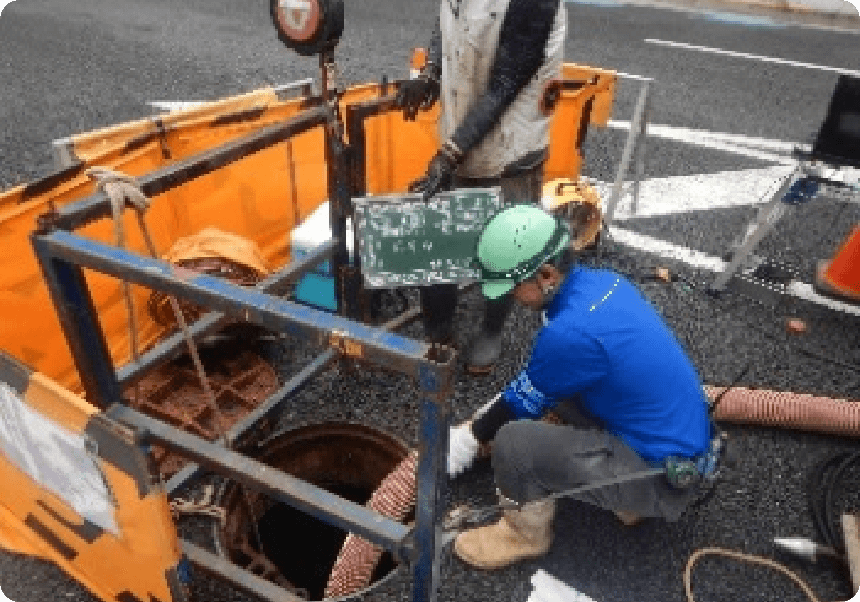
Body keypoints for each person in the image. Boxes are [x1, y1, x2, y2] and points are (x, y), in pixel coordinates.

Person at [446, 205, 719, 569]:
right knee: (559, 395)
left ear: (545, 274)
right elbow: (540, 383)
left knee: (514, 443)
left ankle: (524, 536)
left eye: (513, 287)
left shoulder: (569, 335)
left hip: (661, 480)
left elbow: (518, 404)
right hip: (678, 449)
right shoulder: (605, 283)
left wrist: (468, 439)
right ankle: (627, 498)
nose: (508, 296)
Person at [395, 0, 567, 374]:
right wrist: (429, 73)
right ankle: (441, 327)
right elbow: (446, 21)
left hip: (513, 147)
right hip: (466, 129)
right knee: (449, 230)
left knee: (509, 242)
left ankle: (491, 330)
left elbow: (506, 83)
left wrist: (450, 154)